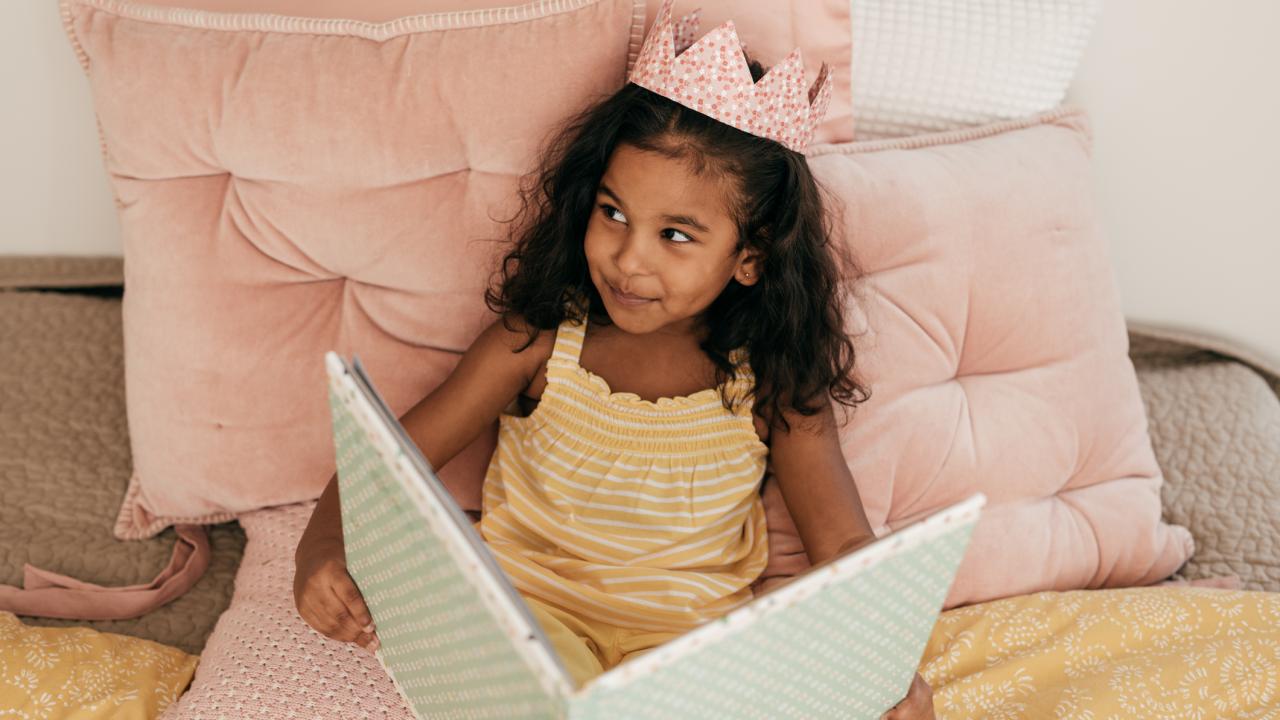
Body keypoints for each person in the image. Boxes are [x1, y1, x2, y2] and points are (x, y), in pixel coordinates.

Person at [295, 3, 934, 717]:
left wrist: (889, 661)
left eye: (677, 236)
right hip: (528, 623)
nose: (628, 260)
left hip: (691, 646)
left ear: (750, 257)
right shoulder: (538, 341)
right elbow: (385, 464)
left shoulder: (775, 381)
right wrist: (317, 550)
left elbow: (845, 543)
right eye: (614, 213)